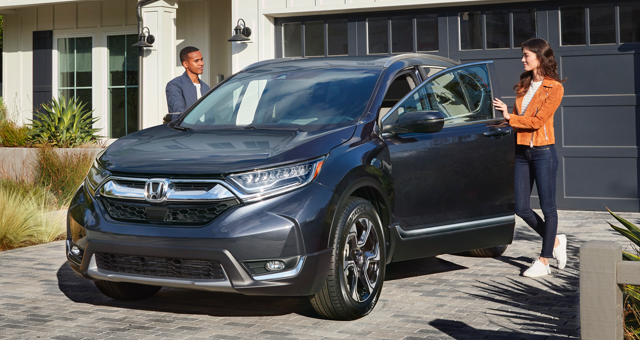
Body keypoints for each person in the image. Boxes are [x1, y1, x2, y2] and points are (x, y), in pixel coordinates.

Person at [493, 38, 567, 278]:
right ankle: (555, 241)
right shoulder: (524, 85)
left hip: (543, 152)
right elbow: (517, 117)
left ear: (540, 57)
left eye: (526, 55)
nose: (522, 59)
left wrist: (510, 116)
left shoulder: (554, 88)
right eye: (523, 55)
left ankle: (544, 260)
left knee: (548, 208)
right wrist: (502, 119)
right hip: (522, 151)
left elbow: (536, 122)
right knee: (521, 207)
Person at [166, 46, 210, 113]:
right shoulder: (175, 85)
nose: (201, 63)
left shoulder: (206, 87)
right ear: (185, 64)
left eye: (201, 59)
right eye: (196, 61)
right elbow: (178, 113)